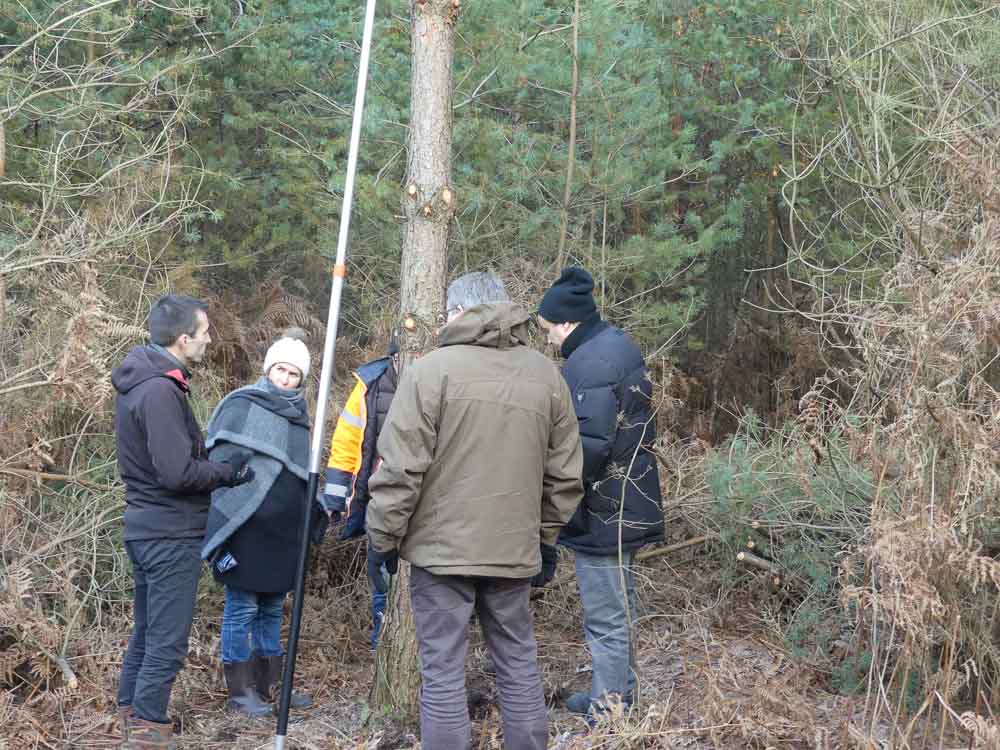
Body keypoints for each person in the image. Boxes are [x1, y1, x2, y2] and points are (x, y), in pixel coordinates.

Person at [365, 271, 585, 750]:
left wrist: (381, 540)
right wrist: (543, 539)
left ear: (457, 312)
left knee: (442, 671)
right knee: (517, 661)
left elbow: (400, 470)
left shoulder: (429, 372)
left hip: (440, 556)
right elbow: (565, 477)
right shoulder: (546, 376)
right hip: (512, 550)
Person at [113, 294, 254, 749]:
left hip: (148, 527)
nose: (210, 339)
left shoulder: (149, 382)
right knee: (167, 639)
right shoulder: (158, 391)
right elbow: (176, 473)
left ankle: (130, 713)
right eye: (205, 331)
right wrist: (226, 473)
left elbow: (168, 461)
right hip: (168, 532)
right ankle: (148, 729)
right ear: (182, 339)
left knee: (150, 630)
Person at [537, 266, 665, 717]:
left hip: (604, 509)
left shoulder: (589, 362)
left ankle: (610, 709)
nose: (549, 339)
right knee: (620, 608)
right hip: (626, 502)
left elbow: (588, 449)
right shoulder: (613, 344)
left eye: (549, 329)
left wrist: (552, 492)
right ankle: (616, 694)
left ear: (568, 323)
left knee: (606, 616)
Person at [201, 329, 328, 717]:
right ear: (268, 369)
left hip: (284, 533)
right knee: (241, 609)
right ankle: (241, 693)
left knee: (273, 609)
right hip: (247, 529)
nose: (286, 379)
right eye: (281, 371)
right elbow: (220, 466)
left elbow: (300, 473)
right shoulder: (242, 404)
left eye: (294, 374)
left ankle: (270, 685)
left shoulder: (303, 418)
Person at [323, 336, 399, 649]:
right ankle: (383, 642)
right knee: (380, 573)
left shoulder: (439, 378)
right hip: (377, 498)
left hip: (423, 502)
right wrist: (335, 497)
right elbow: (346, 442)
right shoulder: (370, 385)